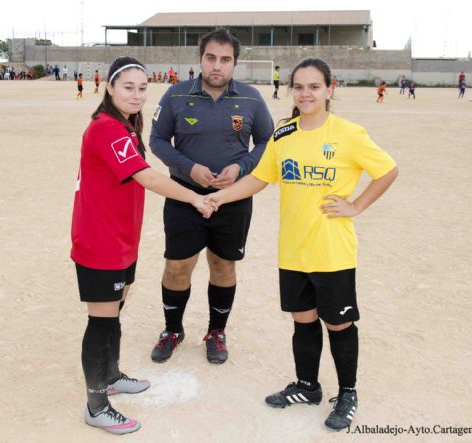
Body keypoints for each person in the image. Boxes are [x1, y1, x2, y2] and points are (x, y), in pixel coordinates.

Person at [205, 58, 398, 432]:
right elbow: (260, 178)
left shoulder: (348, 134)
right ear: (292, 90)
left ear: (330, 89)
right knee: (303, 320)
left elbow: (387, 170)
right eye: (299, 86)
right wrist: (221, 197)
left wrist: (356, 205)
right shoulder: (284, 134)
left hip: (332, 251)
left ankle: (348, 393)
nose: (306, 93)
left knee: (339, 323)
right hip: (293, 250)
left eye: (314, 86)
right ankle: (308, 386)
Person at [71, 56, 213, 435]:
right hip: (100, 241)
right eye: (128, 87)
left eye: (142, 88)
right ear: (109, 88)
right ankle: (97, 404)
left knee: (115, 311)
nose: (136, 95)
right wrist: (195, 198)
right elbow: (145, 176)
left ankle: (112, 375)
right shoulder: (105, 128)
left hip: (121, 239)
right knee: (100, 322)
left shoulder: (126, 124)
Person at [149, 28, 274, 365]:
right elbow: (157, 140)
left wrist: (242, 167)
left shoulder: (251, 98)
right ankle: (172, 330)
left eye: (225, 59)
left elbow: (267, 142)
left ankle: (216, 331)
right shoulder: (175, 95)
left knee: (223, 264)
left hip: (232, 199)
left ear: (235, 63)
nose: (217, 66)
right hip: (184, 196)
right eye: (211, 58)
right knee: (177, 267)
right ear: (200, 59)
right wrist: (189, 169)